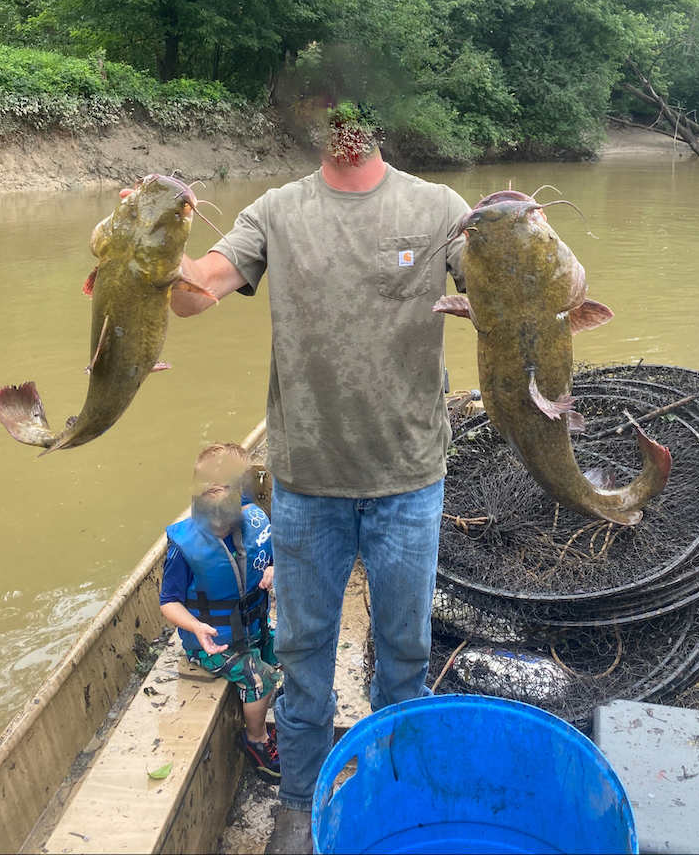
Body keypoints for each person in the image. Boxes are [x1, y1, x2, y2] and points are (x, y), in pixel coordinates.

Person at [167, 103, 469, 855]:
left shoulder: (439, 208)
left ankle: (397, 796)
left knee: (405, 654)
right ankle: (298, 807)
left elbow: (522, 287)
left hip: (408, 480)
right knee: (303, 660)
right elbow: (192, 294)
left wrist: (531, 240)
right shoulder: (277, 211)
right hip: (306, 484)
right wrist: (160, 236)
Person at [159, 443, 282, 779]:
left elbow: (271, 555)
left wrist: (273, 568)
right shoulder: (185, 549)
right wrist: (196, 627)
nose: (221, 526)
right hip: (213, 643)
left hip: (254, 627)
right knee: (260, 678)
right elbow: (168, 602)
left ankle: (281, 704)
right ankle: (256, 740)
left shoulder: (254, 521)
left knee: (288, 649)